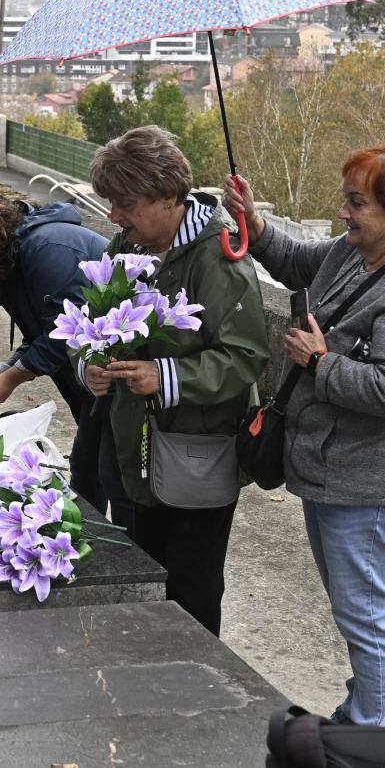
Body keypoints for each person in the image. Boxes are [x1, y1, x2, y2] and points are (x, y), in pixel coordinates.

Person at [223, 145, 385, 727]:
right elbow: (295, 261)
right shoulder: (355, 254)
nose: (344, 213)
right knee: (355, 610)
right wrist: (253, 222)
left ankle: (378, 733)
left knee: (368, 615)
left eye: (357, 203)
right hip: (335, 473)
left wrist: (320, 363)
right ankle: (365, 712)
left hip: (374, 484)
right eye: (346, 200)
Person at [81, 126, 269, 636]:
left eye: (126, 203)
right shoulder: (127, 245)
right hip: (135, 451)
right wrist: (91, 364)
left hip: (195, 456)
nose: (113, 216)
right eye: (111, 203)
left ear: (168, 197)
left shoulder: (219, 260)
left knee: (191, 588)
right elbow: (92, 325)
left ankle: (195, 675)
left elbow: (246, 356)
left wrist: (165, 375)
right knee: (146, 575)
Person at [0, 194, 123, 516]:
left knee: (116, 475)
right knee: (88, 467)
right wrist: (0, 373)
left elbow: (66, 330)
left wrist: (11, 379)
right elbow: (40, 332)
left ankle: (131, 546)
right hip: (96, 376)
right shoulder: (17, 256)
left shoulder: (46, 249)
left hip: (120, 371)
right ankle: (90, 535)